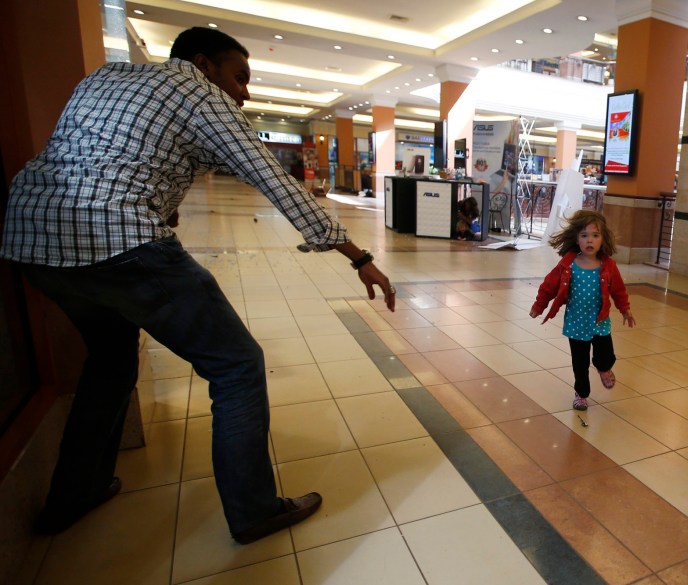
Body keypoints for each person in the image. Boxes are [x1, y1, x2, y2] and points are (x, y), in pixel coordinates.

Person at [0, 26, 396, 544]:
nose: (244, 91)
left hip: (32, 242)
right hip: (120, 244)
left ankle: (74, 493)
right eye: (240, 77)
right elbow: (271, 178)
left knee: (111, 358)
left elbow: (107, 158)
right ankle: (254, 510)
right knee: (236, 366)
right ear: (204, 63)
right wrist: (359, 256)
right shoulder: (197, 91)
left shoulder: (105, 76)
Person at [529, 211, 635, 410]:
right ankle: (581, 394)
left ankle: (603, 368)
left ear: (603, 239)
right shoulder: (568, 265)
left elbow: (619, 290)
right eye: (584, 235)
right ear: (576, 239)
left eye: (595, 235)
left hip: (600, 321)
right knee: (580, 363)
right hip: (576, 323)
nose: (589, 240)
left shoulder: (608, 265)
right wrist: (539, 306)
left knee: (606, 356)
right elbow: (549, 286)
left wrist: (625, 309)